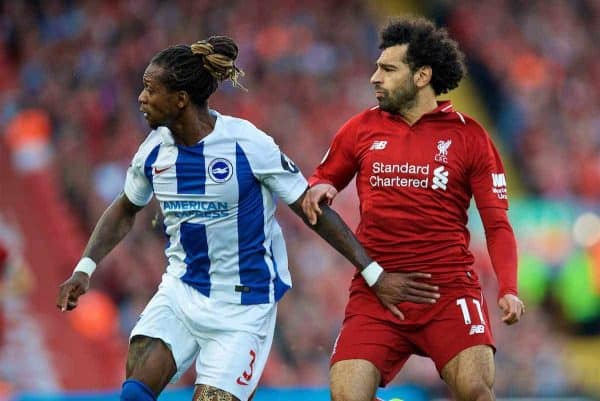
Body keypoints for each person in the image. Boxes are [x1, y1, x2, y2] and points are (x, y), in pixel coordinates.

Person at [56, 36, 439, 401]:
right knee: (134, 393)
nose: (140, 98)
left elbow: (311, 210)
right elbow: (125, 208)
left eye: (149, 89)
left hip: (243, 309)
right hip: (181, 293)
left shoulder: (247, 144)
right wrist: (84, 268)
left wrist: (374, 274)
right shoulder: (153, 152)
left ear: (180, 100)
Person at [302, 17, 525, 401]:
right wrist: (319, 187)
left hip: (448, 292)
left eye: (388, 69)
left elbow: (497, 225)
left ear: (422, 76)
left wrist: (508, 288)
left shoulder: (470, 137)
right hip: (377, 292)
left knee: (476, 391)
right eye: (377, 67)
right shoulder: (360, 129)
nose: (374, 78)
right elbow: (321, 181)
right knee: (346, 396)